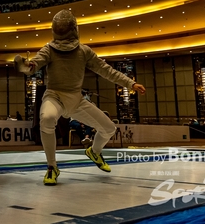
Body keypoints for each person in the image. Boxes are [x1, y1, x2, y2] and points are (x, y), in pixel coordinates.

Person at [15, 10, 145, 186]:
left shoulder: (84, 51)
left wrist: (130, 83)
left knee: (109, 129)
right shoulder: (49, 49)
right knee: (47, 118)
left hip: (77, 100)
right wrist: (25, 66)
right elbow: (35, 64)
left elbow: (106, 70)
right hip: (55, 97)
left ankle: (94, 152)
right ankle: (52, 167)